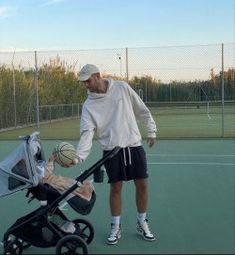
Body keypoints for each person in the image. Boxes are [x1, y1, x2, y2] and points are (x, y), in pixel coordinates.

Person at [74, 64, 157, 245]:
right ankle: (116, 226)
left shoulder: (122, 87)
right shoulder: (88, 105)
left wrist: (151, 130)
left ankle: (142, 222)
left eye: (88, 80)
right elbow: (87, 132)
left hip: (133, 145)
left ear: (97, 76)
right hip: (111, 151)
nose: (86, 85)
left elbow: (140, 108)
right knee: (116, 188)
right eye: (83, 82)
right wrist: (78, 156)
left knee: (142, 184)